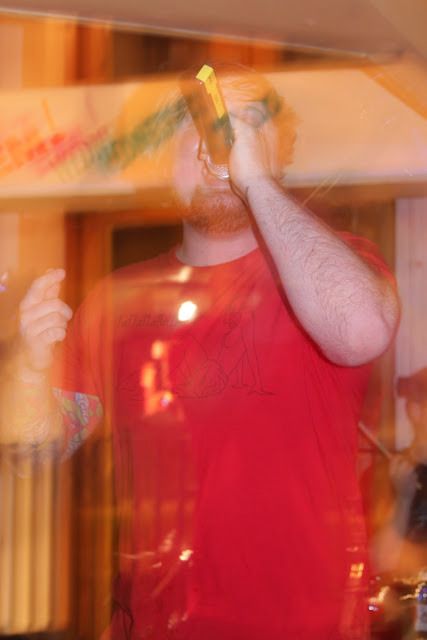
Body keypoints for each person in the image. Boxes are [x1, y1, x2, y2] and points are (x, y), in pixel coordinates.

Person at [7, 63, 400, 639]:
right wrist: (29, 366)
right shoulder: (118, 299)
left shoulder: (331, 268)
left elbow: (363, 329)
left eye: (244, 126)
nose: (218, 145)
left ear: (279, 153)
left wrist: (255, 183)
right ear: (163, 164)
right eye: (194, 129)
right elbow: (36, 453)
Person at [369, 367, 427, 580]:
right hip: (406, 597)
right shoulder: (389, 472)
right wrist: (402, 500)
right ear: (415, 410)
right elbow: (379, 562)